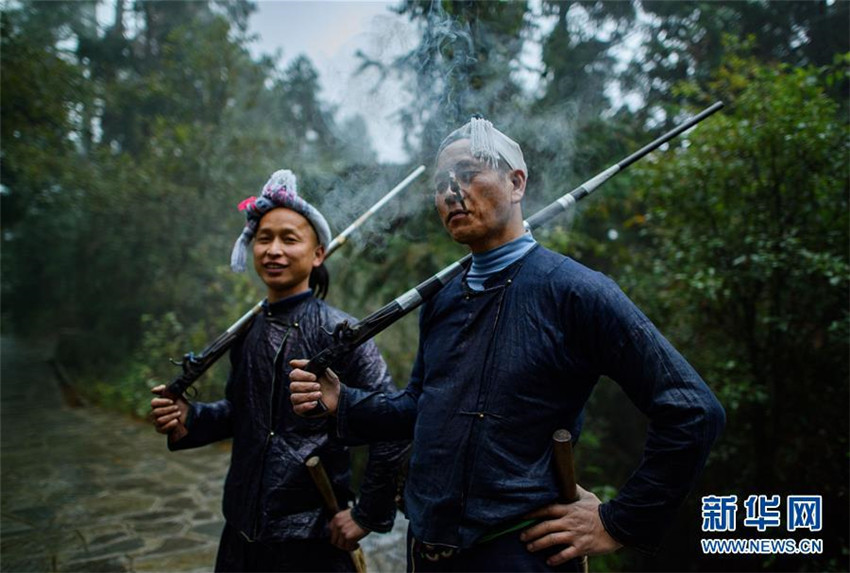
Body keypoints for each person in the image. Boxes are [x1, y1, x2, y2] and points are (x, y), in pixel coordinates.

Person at [289, 118, 726, 572]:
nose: (451, 193)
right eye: (440, 184)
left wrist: (619, 522)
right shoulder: (442, 300)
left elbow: (693, 410)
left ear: (516, 183)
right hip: (426, 550)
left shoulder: (576, 292)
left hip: (518, 554)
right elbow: (422, 407)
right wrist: (343, 402)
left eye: (468, 173)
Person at [150, 169, 408, 572]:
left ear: (318, 254)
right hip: (241, 531)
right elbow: (244, 412)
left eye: (289, 239)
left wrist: (366, 514)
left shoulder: (341, 333)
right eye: (264, 238)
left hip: (313, 540)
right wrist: (190, 419)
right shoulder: (247, 332)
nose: (273, 250)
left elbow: (392, 421)